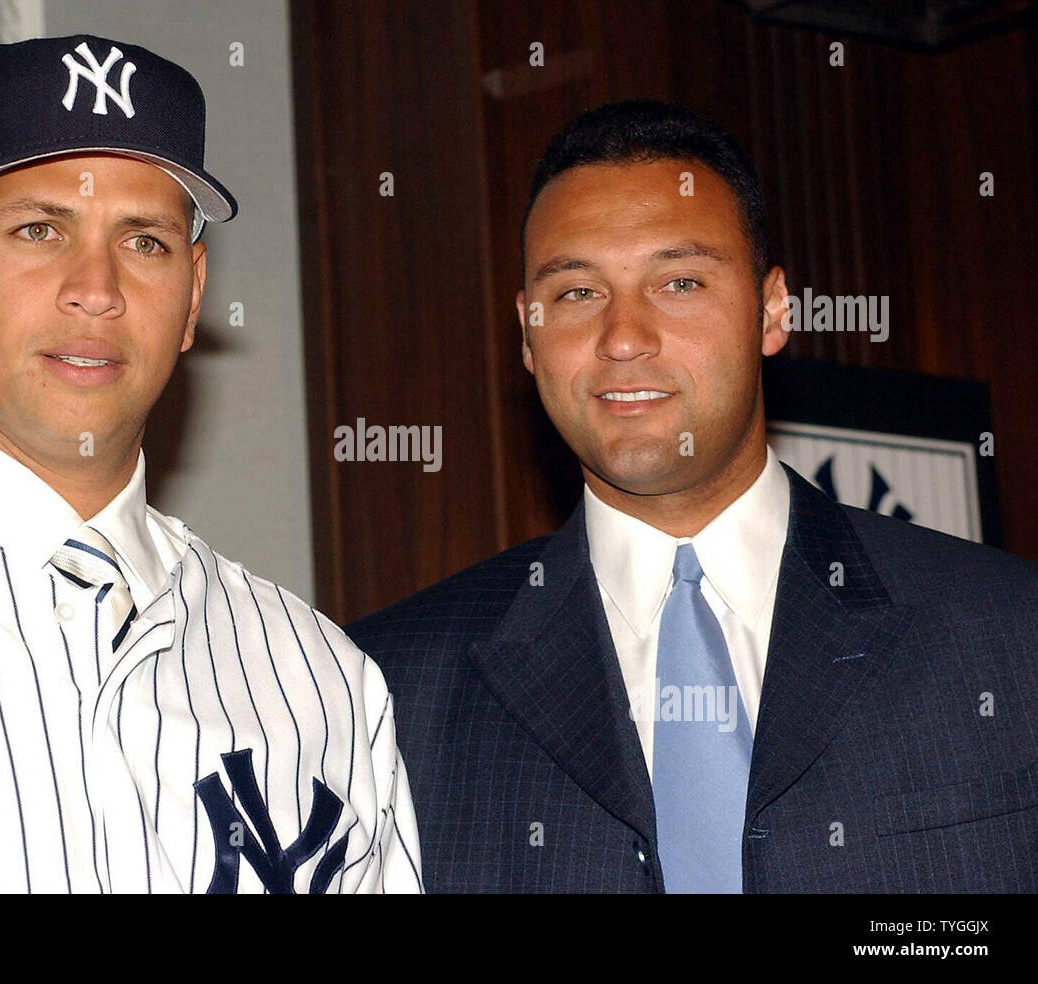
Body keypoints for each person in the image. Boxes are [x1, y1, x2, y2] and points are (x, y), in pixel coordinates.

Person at [0, 34, 421, 894]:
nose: (95, 288)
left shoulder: (323, 682)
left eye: (144, 242)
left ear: (193, 297)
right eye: (38, 229)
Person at [346, 99, 1038, 893]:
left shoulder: (1008, 636)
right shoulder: (385, 690)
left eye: (678, 281)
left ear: (772, 309)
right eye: (577, 293)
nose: (624, 337)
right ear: (527, 336)